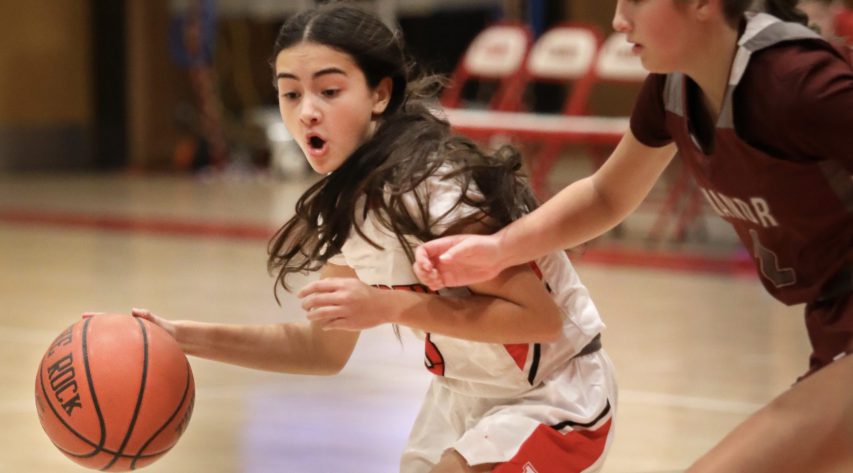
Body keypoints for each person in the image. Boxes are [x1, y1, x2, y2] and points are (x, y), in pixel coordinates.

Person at [132, 3, 617, 472]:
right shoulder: (350, 201)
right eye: (291, 94)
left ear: (380, 95)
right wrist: (182, 338)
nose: (307, 113)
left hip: (556, 393)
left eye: (329, 91)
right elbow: (319, 351)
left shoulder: (433, 186)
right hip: (465, 397)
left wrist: (390, 307)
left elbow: (539, 320)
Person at [415, 0, 853, 472]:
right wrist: (500, 249)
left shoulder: (798, 84)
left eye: (638, 0)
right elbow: (607, 194)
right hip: (832, 321)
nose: (620, 19)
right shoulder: (673, 89)